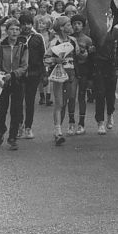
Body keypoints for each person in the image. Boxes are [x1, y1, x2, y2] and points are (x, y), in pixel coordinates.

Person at [0, 18, 28, 150]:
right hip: (2, 82)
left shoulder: (23, 46)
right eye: (12, 29)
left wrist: (13, 74)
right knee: (1, 110)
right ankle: (1, 129)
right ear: (6, 31)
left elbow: (24, 66)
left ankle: (12, 137)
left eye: (17, 29)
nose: (14, 32)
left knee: (16, 110)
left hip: (17, 81)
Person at [44, 16, 77, 145]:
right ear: (62, 27)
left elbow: (79, 55)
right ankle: (58, 131)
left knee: (69, 100)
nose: (71, 27)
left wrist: (85, 53)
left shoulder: (73, 41)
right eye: (68, 25)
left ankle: (63, 126)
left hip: (71, 73)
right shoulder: (54, 42)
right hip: (58, 73)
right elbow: (46, 58)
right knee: (59, 102)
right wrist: (55, 60)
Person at [18, 13, 45, 140]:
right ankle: (19, 126)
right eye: (23, 24)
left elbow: (43, 56)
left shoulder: (38, 38)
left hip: (34, 75)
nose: (26, 26)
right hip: (19, 75)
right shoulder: (16, 37)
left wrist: (44, 75)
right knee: (18, 102)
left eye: (29, 23)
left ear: (32, 24)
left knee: (30, 102)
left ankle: (28, 127)